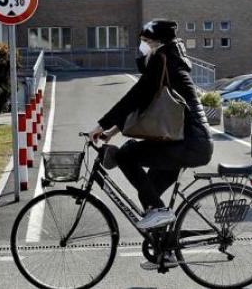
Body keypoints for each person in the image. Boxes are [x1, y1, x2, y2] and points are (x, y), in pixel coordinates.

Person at [90, 19, 213, 239]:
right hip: (186, 142)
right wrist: (111, 132)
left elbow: (136, 95)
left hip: (188, 143)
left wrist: (101, 124)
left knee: (127, 155)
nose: (142, 45)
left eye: (145, 40)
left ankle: (160, 212)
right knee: (148, 194)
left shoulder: (163, 59)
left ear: (157, 41)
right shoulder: (170, 59)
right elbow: (144, 105)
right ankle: (165, 250)